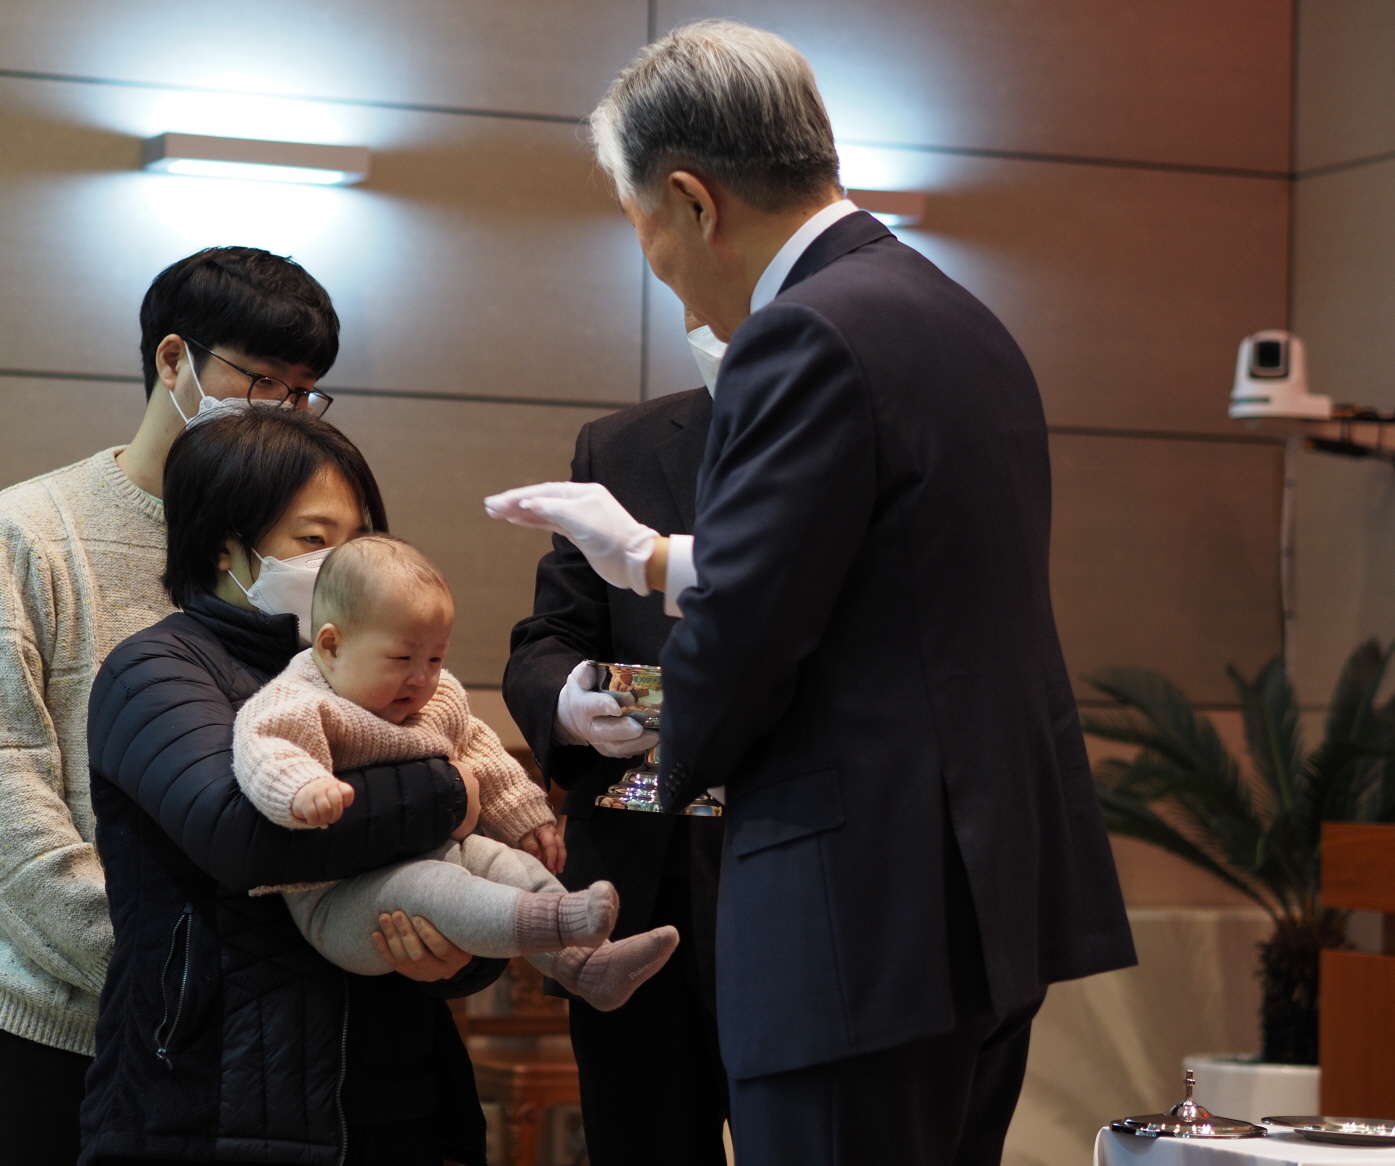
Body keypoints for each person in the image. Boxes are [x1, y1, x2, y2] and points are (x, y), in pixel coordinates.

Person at [487, 21, 1138, 1166]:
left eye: (640, 223)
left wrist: (656, 738)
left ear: (691, 200)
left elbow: (744, 639)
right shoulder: (954, 315)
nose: (662, 269)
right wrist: (655, 561)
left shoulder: (803, 335)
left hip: (852, 912)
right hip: (975, 895)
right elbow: (869, 585)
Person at [0, 246, 348, 1166]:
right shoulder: (29, 529)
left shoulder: (302, 548)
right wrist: (165, 969)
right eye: (262, 380)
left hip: (250, 1038)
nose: (283, 412)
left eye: (303, 392)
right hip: (60, 1028)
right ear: (173, 359)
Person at [84, 408, 499, 1166]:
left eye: (358, 538)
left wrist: (464, 955)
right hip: (214, 1101)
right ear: (224, 545)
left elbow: (474, 855)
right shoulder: (154, 672)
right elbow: (245, 838)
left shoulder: (387, 675)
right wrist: (452, 791)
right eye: (314, 540)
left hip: (399, 1092)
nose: (342, 563)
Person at [231, 533, 680, 1010]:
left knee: (506, 863)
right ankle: (557, 923)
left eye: (435, 658)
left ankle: (588, 967)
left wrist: (529, 821)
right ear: (331, 646)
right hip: (337, 898)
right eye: (402, 658)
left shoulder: (438, 698)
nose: (422, 677)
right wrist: (302, 787)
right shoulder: (303, 698)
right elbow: (264, 745)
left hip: (442, 854)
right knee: (429, 883)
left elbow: (484, 756)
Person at [499, 327, 727, 1164]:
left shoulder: (857, 441)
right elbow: (547, 638)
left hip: (804, 863)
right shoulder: (621, 447)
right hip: (640, 869)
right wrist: (570, 702)